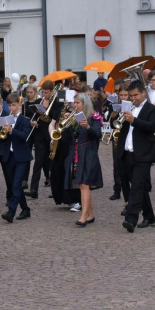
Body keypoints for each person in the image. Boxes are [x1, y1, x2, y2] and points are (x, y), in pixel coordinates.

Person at [115, 80, 155, 233]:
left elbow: (151, 127)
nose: (133, 98)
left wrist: (134, 120)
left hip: (143, 155)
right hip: (126, 153)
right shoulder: (128, 107)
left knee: (136, 187)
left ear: (143, 93)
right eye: (131, 95)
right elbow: (119, 125)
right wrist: (118, 117)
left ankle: (131, 219)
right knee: (139, 187)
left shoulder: (152, 109)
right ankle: (149, 216)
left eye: (135, 95)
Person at [60, 93, 103, 226]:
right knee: (83, 184)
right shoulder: (74, 118)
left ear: (85, 104)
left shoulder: (93, 117)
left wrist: (88, 127)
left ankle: (83, 216)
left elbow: (98, 135)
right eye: (75, 102)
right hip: (76, 152)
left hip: (88, 152)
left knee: (84, 184)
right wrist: (66, 125)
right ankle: (90, 215)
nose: (75, 105)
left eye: (78, 103)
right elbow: (67, 139)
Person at [1, 93, 33, 223]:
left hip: (22, 156)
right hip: (10, 156)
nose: (11, 108)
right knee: (16, 185)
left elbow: (24, 136)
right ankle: (25, 209)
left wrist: (11, 130)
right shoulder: (7, 119)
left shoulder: (24, 120)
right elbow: (4, 138)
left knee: (16, 184)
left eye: (13, 105)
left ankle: (11, 212)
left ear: (19, 105)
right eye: (9, 105)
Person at [24, 80, 57, 199]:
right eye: (43, 92)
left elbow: (55, 117)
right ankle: (34, 189)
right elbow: (37, 116)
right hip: (40, 136)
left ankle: (55, 190)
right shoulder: (39, 102)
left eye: (46, 92)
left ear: (51, 92)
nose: (44, 95)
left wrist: (48, 109)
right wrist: (35, 119)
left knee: (53, 163)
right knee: (38, 162)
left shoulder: (56, 102)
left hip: (51, 135)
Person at [109, 83, 129, 203]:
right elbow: (111, 124)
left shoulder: (132, 106)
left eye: (125, 95)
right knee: (116, 164)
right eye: (121, 95)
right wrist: (113, 116)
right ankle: (117, 190)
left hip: (129, 137)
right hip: (118, 136)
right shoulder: (115, 105)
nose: (123, 97)